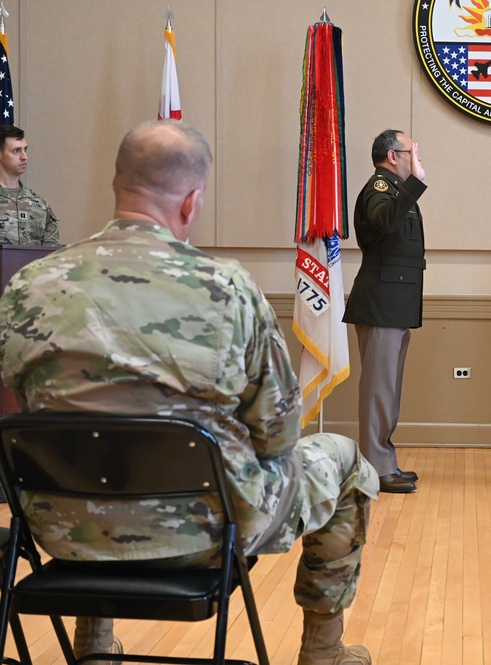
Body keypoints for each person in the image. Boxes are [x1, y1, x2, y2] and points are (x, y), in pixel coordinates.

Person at [0, 120, 377, 665]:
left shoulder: (28, 286)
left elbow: (26, 406)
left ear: (115, 185)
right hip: (201, 535)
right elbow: (279, 434)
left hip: (63, 529)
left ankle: (94, 647)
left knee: (93, 440)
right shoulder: (227, 289)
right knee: (345, 460)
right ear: (192, 201)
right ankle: (324, 652)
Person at [343, 129, 426, 494]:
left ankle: (384, 461)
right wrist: (417, 184)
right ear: (393, 156)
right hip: (380, 304)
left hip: (395, 304)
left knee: (388, 389)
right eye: (412, 151)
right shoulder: (379, 188)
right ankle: (375, 467)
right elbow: (383, 223)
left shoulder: (394, 190)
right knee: (378, 389)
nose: (416, 157)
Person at [0, 125, 59, 245]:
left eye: (25, 150)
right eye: (16, 151)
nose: (24, 157)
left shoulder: (40, 204)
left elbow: (51, 255)